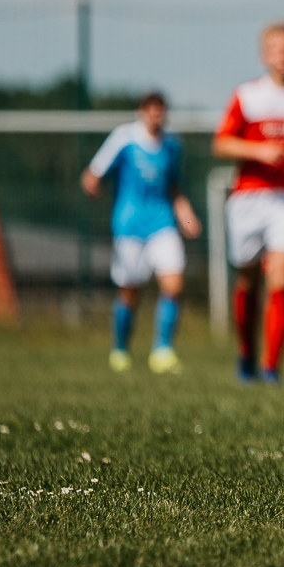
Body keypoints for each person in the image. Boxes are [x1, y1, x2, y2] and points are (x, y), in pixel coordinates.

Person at [213, 22, 284, 385]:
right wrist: (258, 151)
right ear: (264, 55)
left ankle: (271, 367)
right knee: (247, 281)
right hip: (249, 197)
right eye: (275, 48)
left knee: (282, 278)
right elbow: (221, 143)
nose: (282, 54)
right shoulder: (247, 96)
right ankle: (246, 356)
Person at [81, 91, 201, 373]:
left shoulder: (172, 144)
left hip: (163, 225)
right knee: (129, 291)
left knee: (174, 285)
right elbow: (93, 173)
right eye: (151, 109)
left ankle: (163, 351)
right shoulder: (124, 138)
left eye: (161, 110)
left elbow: (174, 186)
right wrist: (92, 185)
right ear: (142, 111)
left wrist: (186, 214)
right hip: (130, 227)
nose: (156, 115)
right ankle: (120, 350)